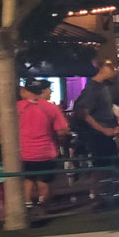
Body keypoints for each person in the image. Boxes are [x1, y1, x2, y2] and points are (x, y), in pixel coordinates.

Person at [18, 79, 70, 210]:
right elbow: (62, 130)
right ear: (42, 91)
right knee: (44, 181)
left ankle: (27, 205)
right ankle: (43, 205)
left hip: (24, 152)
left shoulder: (17, 107)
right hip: (46, 151)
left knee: (28, 180)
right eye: (48, 89)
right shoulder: (50, 107)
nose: (51, 91)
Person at [73, 60, 119, 164]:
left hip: (105, 133)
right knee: (104, 167)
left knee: (109, 165)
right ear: (104, 69)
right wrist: (103, 129)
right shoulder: (93, 88)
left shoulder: (104, 86)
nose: (115, 71)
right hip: (98, 136)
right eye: (112, 68)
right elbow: (84, 113)